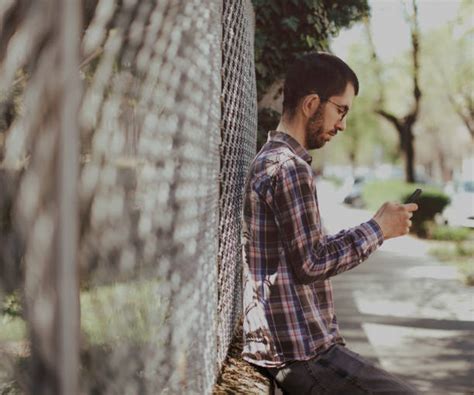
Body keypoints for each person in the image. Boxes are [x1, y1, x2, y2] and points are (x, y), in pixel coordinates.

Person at [241, 52, 419, 394]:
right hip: (302, 355)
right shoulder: (289, 168)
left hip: (300, 348)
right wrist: (378, 229)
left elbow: (308, 250)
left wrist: (376, 224)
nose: (343, 125)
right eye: (341, 110)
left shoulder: (273, 161)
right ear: (311, 103)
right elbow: (313, 262)